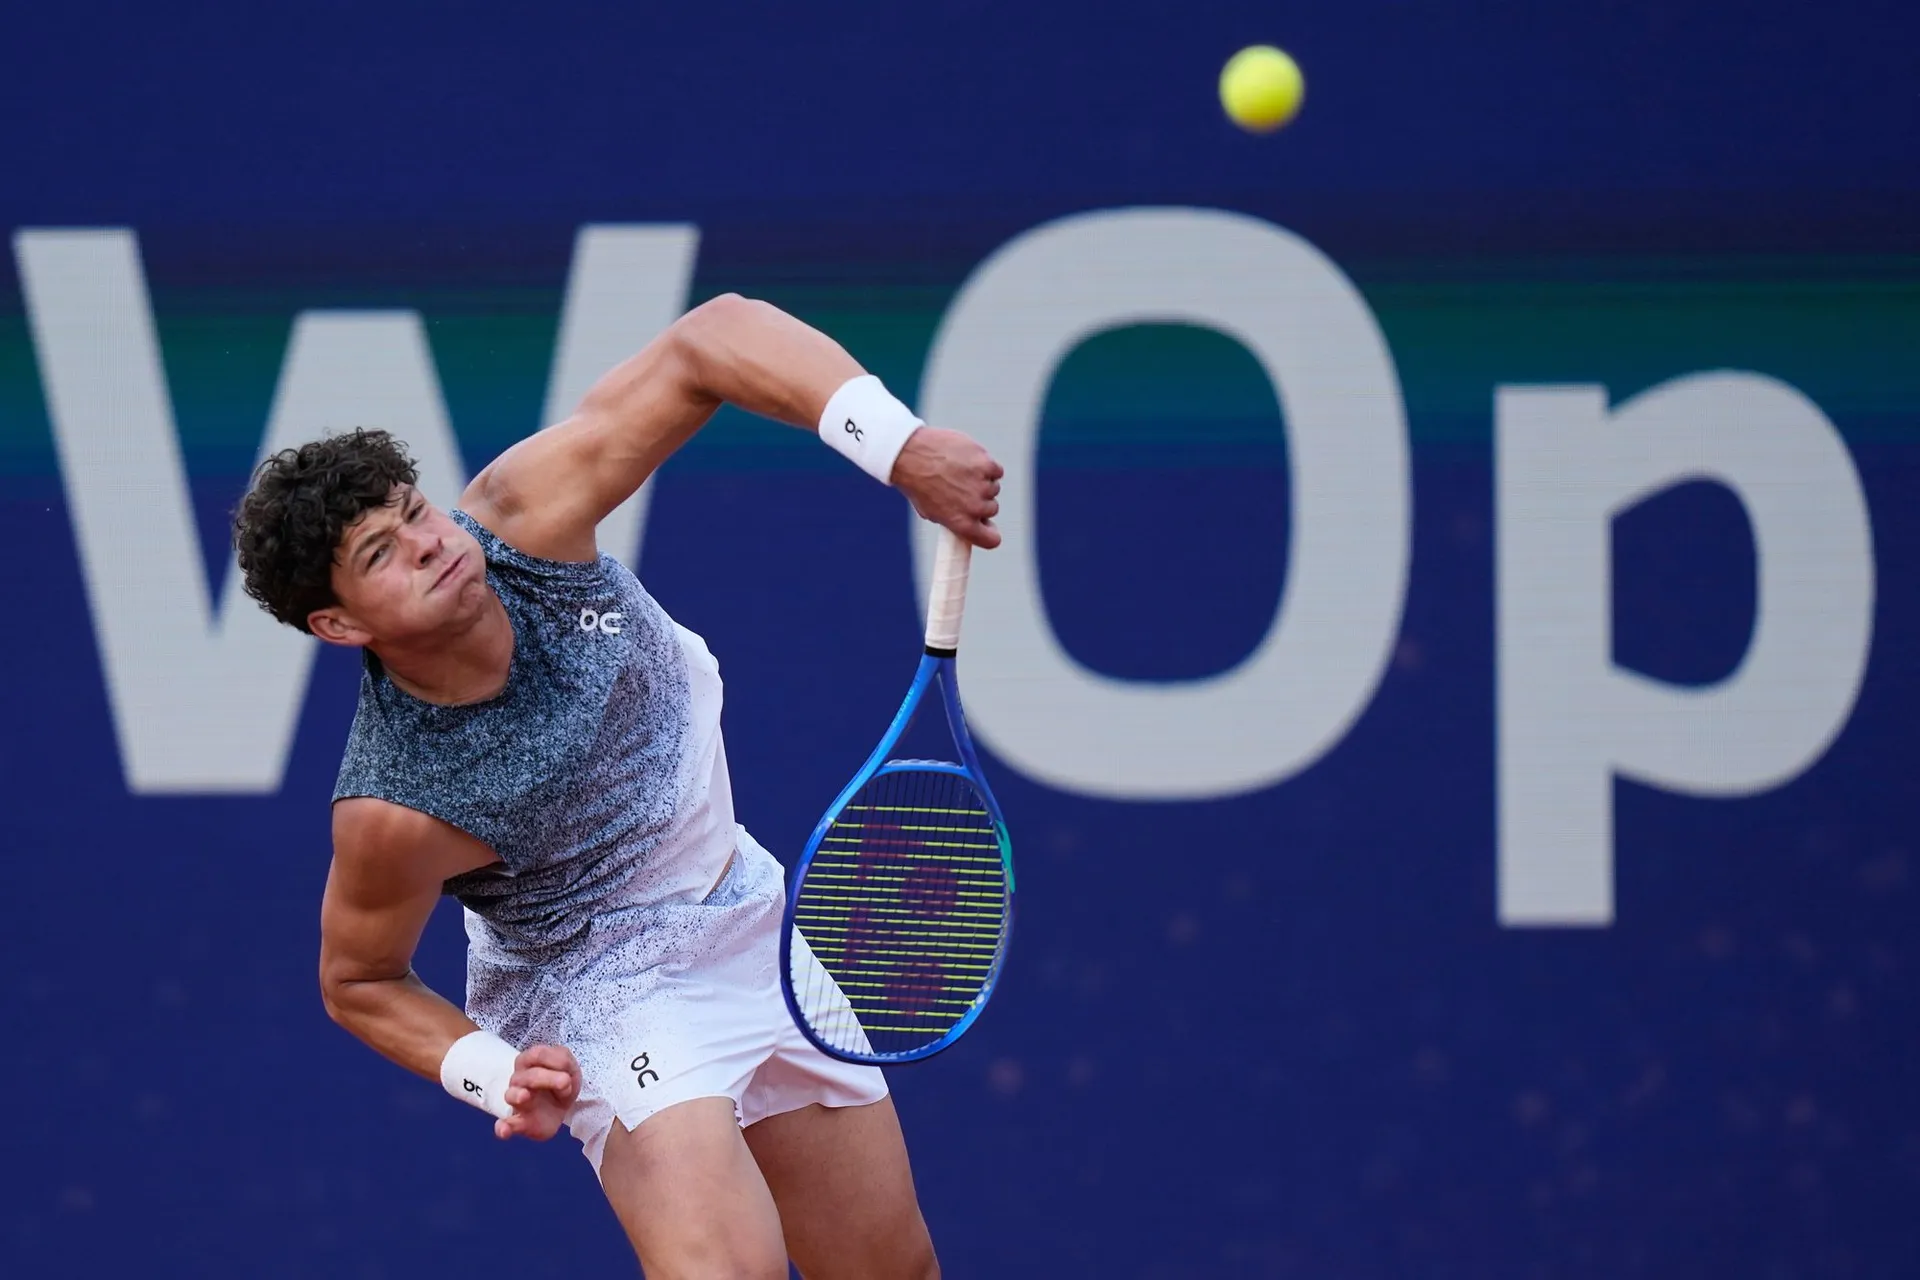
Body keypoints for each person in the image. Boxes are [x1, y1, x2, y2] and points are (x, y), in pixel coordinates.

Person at [231, 292, 1003, 1278]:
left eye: (413, 509)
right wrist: (493, 1071)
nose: (427, 540)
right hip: (599, 986)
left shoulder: (525, 519)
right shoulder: (398, 802)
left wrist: (898, 444)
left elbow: (711, 338)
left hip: (745, 914)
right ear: (339, 625)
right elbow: (358, 980)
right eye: (381, 553)